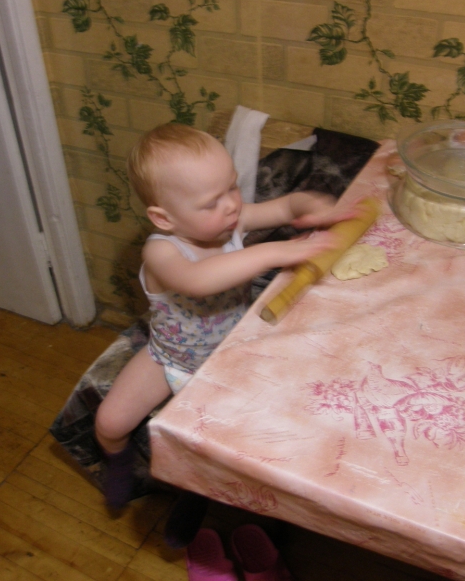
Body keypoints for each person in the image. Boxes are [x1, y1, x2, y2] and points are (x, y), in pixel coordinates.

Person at [94, 122, 354, 515]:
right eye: (211, 202)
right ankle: (118, 464)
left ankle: (192, 501)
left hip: (232, 356)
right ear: (164, 219)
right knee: (110, 422)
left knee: (214, 447)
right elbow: (198, 281)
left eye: (232, 187)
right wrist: (275, 253)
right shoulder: (162, 252)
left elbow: (285, 206)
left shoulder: (232, 220)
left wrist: (310, 206)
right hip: (170, 359)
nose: (232, 205)